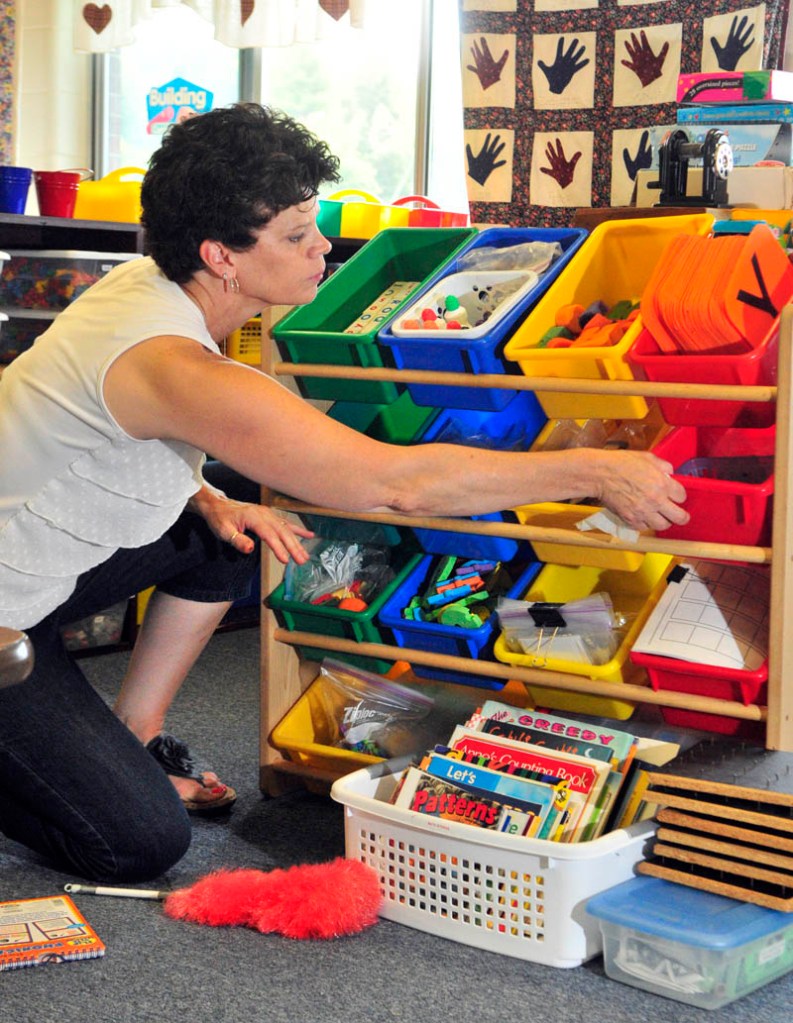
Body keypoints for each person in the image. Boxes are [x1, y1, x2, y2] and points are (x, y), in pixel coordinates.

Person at [0, 103, 688, 883]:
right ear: (220, 255)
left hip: (43, 565)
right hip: (4, 614)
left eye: (314, 224)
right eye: (296, 235)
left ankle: (137, 729)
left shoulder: (146, 283)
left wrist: (202, 494)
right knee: (138, 844)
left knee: (245, 522)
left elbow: (94, 428)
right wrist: (592, 472)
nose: (321, 246)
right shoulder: (177, 363)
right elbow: (394, 486)